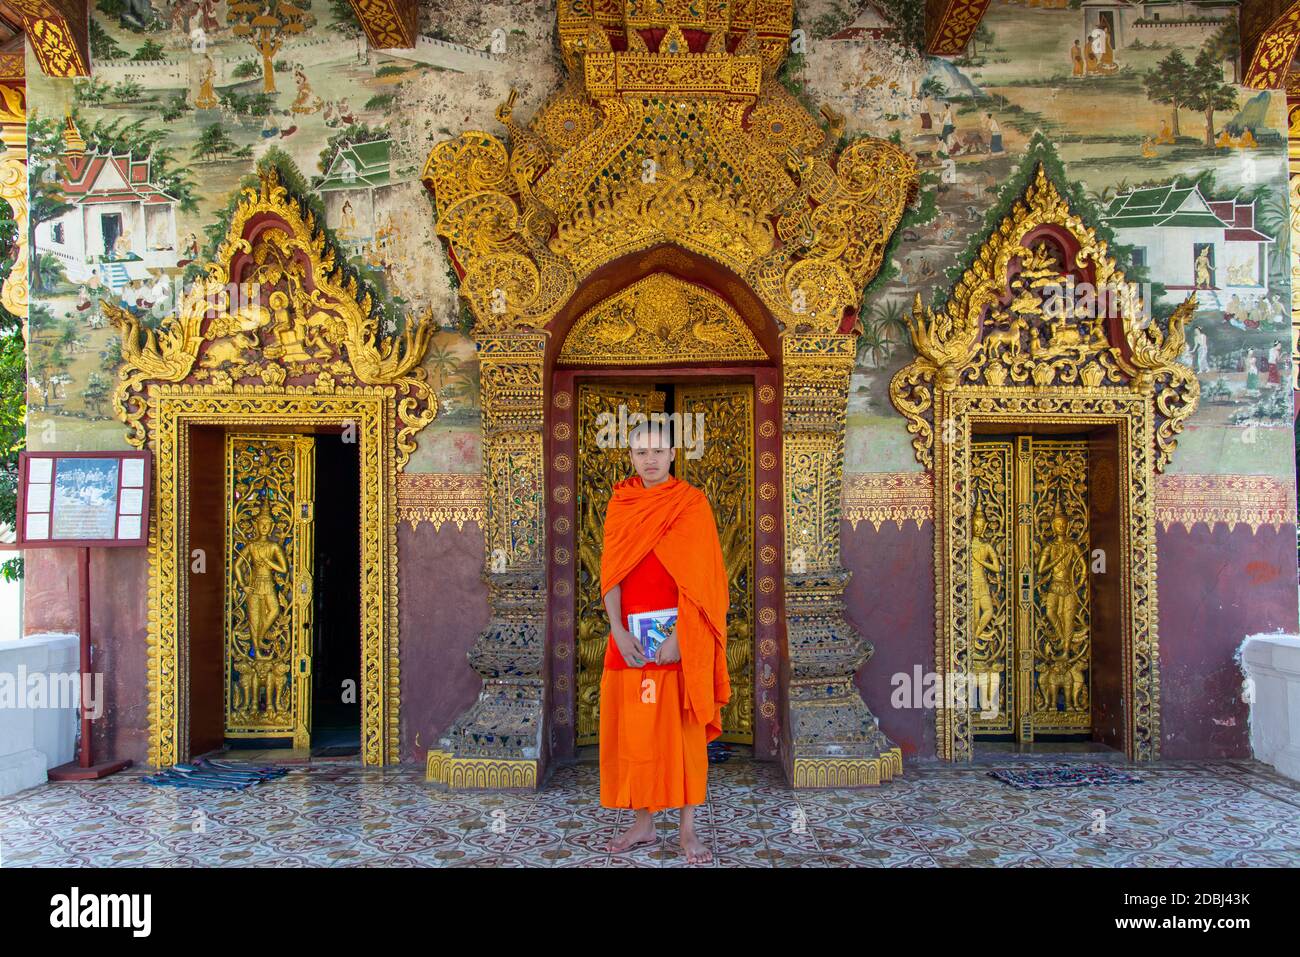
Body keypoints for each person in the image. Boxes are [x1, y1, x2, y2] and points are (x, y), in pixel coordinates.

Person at [598, 419, 730, 864]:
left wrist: (680, 635)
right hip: (630, 639)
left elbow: (705, 580)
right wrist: (616, 628)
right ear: (630, 456)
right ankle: (643, 823)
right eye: (641, 452)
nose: (649, 460)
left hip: (680, 639)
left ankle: (688, 830)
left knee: (686, 732)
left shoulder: (691, 504)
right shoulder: (622, 503)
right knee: (635, 731)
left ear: (673, 454)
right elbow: (611, 573)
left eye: (658, 451)